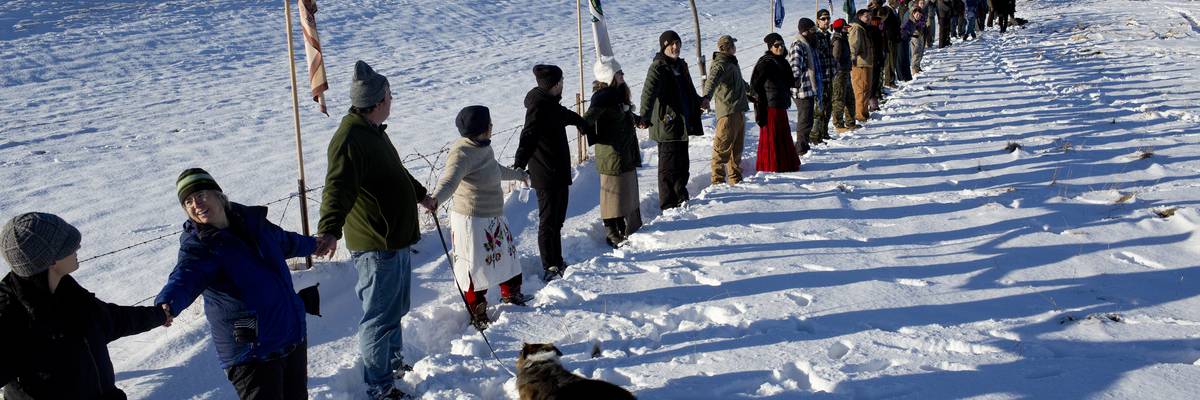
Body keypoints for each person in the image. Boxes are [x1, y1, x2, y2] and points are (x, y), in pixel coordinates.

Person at [315, 60, 434, 400]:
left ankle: (393, 366)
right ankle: (379, 385)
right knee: (379, 317)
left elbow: (396, 172)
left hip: (394, 239)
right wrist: (329, 230)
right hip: (375, 243)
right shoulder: (350, 138)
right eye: (390, 95)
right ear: (380, 100)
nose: (392, 100)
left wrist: (422, 196)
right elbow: (336, 187)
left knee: (396, 309)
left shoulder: (373, 133)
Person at [156, 169, 317, 400]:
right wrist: (168, 303)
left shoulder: (252, 222)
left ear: (218, 195)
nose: (195, 204)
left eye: (200, 195)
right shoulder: (201, 245)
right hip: (251, 352)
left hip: (289, 335)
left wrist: (315, 245)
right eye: (188, 201)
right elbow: (185, 275)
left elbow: (285, 241)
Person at [1, 213, 171, 399]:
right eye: (68, 245)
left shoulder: (69, 293)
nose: (78, 247)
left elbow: (113, 320)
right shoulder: (10, 315)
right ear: (50, 260)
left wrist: (159, 315)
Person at [431, 106, 531, 330]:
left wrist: (518, 175)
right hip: (472, 220)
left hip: (494, 215)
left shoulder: (484, 147)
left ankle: (511, 294)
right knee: (473, 266)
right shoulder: (461, 153)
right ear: (484, 128)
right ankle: (477, 310)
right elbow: (449, 181)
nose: (492, 127)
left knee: (507, 255)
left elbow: (494, 169)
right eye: (490, 123)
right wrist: (436, 199)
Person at [512, 64, 593, 282]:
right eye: (562, 82)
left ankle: (557, 260)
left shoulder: (549, 103)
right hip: (546, 174)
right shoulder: (538, 107)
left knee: (556, 220)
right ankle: (550, 266)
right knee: (548, 221)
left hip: (557, 171)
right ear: (555, 85)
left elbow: (563, 115)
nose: (563, 85)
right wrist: (519, 163)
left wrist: (581, 123)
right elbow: (527, 135)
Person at [639, 30, 707, 211]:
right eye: (671, 44)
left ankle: (681, 197)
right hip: (666, 122)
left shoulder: (681, 66)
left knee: (682, 163)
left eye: (678, 43)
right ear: (664, 46)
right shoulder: (658, 67)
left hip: (682, 122)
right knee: (668, 166)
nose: (675, 47)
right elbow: (648, 93)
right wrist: (644, 116)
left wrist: (699, 101)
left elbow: (689, 90)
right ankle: (668, 204)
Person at [587, 58, 645, 246]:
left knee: (626, 191)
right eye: (619, 73)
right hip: (611, 153)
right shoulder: (602, 97)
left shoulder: (617, 94)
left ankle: (625, 228)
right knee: (612, 195)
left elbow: (622, 114)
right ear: (609, 76)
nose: (623, 75)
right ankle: (612, 232)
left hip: (625, 150)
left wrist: (636, 120)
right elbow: (587, 120)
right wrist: (590, 130)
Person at [702, 35, 751, 186]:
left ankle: (735, 178)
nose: (735, 47)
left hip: (738, 110)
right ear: (727, 47)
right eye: (732, 45)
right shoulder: (720, 63)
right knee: (721, 148)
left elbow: (740, 82)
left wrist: (752, 92)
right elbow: (711, 80)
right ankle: (717, 181)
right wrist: (706, 97)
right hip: (727, 112)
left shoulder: (731, 63)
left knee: (736, 148)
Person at [751, 33, 801, 173]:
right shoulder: (766, 62)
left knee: (783, 135)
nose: (780, 47)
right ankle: (770, 165)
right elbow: (755, 84)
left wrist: (796, 81)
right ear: (770, 47)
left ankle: (786, 164)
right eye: (776, 45)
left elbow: (789, 80)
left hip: (781, 103)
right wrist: (759, 101)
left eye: (782, 45)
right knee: (772, 137)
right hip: (770, 105)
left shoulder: (782, 61)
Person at [789, 18, 820, 154]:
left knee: (808, 118)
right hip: (802, 89)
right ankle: (800, 148)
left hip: (809, 88)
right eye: (812, 30)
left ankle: (804, 145)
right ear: (805, 31)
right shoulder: (798, 45)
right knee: (804, 120)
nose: (815, 33)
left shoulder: (808, 44)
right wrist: (795, 80)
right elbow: (795, 65)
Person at [811, 10, 838, 144]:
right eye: (823, 19)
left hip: (829, 76)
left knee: (828, 106)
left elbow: (830, 55)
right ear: (817, 21)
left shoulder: (828, 35)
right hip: (819, 77)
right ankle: (815, 136)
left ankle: (824, 133)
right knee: (819, 108)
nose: (826, 21)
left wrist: (834, 68)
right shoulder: (815, 36)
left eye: (828, 18)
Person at [830, 18, 859, 134]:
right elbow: (835, 57)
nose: (847, 29)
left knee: (850, 98)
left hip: (846, 71)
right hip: (839, 73)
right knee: (839, 99)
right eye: (845, 27)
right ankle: (838, 124)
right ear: (840, 28)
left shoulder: (843, 38)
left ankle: (850, 122)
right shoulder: (837, 40)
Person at [848, 9, 876, 123]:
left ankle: (864, 112)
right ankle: (859, 114)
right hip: (859, 64)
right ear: (859, 17)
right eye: (866, 16)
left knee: (866, 89)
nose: (868, 18)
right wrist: (853, 59)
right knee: (861, 89)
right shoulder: (856, 28)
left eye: (870, 16)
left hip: (867, 62)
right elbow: (853, 45)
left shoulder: (864, 27)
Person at [903, 7, 929, 76]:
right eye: (917, 15)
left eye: (920, 15)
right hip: (914, 38)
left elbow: (924, 28)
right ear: (913, 14)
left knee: (920, 53)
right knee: (916, 53)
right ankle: (914, 69)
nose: (918, 16)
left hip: (921, 37)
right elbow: (905, 29)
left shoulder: (922, 20)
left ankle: (917, 66)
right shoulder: (910, 21)